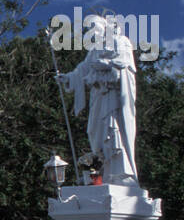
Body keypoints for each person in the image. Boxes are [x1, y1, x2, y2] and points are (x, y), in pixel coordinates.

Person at [58, 15, 138, 184]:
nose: (92, 33)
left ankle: (120, 174)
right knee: (94, 131)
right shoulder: (94, 50)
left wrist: (107, 65)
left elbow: (125, 66)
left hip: (112, 98)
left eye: (95, 29)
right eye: (89, 30)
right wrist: (68, 78)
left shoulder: (120, 41)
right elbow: (82, 70)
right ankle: (98, 173)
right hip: (98, 97)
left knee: (113, 131)